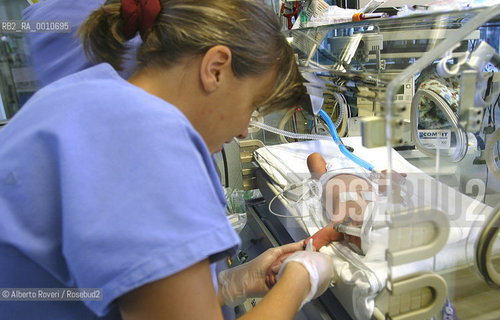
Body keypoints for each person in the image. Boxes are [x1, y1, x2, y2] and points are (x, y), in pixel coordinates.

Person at [0, 1, 335, 319]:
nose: (244, 131)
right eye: (252, 105)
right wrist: (300, 280)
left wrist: (232, 284)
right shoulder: (147, 138)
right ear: (215, 69)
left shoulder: (88, 97)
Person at [306, 152, 407, 253]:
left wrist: (302, 248)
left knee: (313, 158)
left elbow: (311, 243)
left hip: (329, 175)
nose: (347, 238)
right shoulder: (379, 209)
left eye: (350, 239)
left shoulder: (339, 224)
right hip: (363, 177)